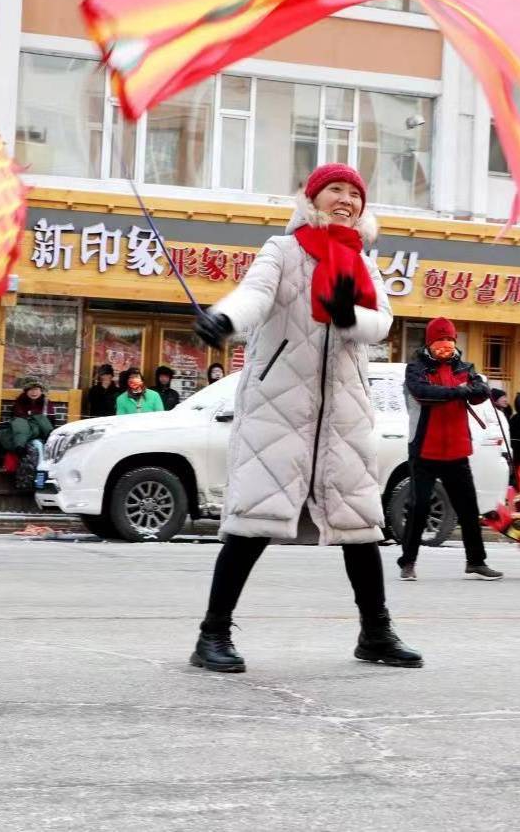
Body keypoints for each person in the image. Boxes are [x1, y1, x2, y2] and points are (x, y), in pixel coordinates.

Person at [187, 163, 419, 673]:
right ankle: (212, 635)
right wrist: (224, 319)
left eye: (355, 193)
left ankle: (375, 634)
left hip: (344, 411)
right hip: (279, 406)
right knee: (252, 523)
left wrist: (346, 315)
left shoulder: (363, 262)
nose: (347, 199)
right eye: (335, 189)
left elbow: (381, 322)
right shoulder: (284, 251)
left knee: (359, 527)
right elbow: (255, 295)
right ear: (312, 198)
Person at [396, 317, 500, 582]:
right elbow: (423, 394)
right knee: (419, 507)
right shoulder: (416, 369)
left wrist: (463, 390)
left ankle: (476, 561)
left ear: (454, 342)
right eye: (439, 342)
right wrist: (459, 391)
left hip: (457, 450)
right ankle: (408, 562)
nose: (444, 346)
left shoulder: (465, 367)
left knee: (468, 508)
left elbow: (481, 391)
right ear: (429, 343)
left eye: (449, 342)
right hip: (424, 450)